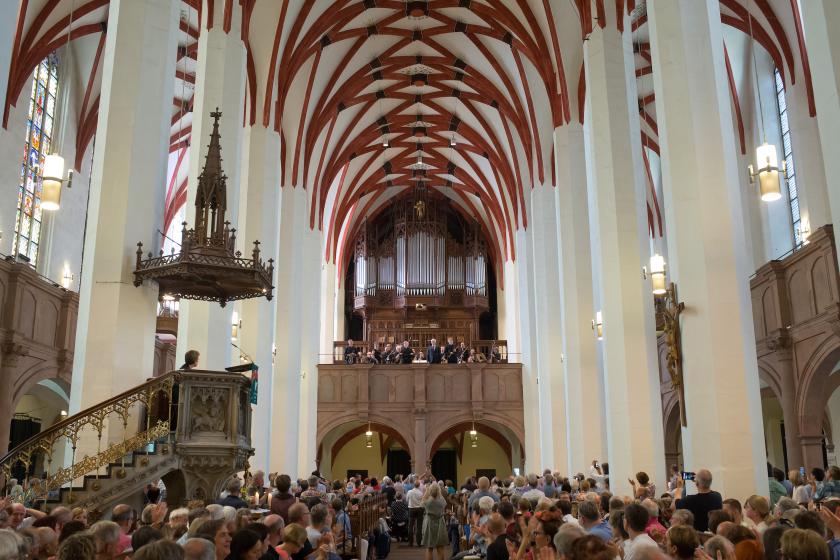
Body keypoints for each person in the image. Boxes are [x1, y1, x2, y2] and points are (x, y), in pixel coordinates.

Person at [421, 483, 448, 560]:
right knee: (440, 548)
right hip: (440, 524)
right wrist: (438, 492)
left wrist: (427, 491)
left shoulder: (427, 502)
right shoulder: (441, 500)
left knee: (429, 548)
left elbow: (422, 503)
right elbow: (444, 503)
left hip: (429, 524)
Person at [407, 480, 424, 546]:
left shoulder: (409, 492)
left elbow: (407, 500)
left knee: (410, 525)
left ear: (413, 485)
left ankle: (410, 542)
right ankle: (419, 542)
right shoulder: (421, 493)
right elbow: (422, 502)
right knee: (419, 526)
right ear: (419, 485)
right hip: (419, 509)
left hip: (411, 508)